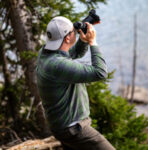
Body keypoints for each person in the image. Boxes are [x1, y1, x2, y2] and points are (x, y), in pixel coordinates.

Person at [36, 16, 115, 150]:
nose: (76, 32)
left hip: (63, 127)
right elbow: (100, 72)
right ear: (67, 38)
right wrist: (92, 42)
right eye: (73, 31)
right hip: (73, 129)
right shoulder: (57, 65)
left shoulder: (45, 53)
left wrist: (82, 41)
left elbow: (72, 53)